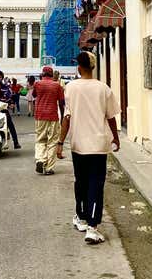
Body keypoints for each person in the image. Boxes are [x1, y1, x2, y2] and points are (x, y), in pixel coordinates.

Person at [56, 51, 120, 245]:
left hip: (78, 145)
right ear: (93, 67)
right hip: (98, 145)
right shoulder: (104, 89)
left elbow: (66, 118)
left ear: (78, 67)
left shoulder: (70, 88)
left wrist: (60, 143)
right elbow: (111, 117)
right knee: (95, 185)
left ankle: (81, 217)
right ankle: (92, 227)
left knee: (81, 182)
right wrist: (116, 138)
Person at [33, 67, 64, 175]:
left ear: (42, 74)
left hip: (40, 115)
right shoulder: (57, 85)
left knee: (41, 139)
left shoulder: (37, 84)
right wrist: (63, 116)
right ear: (52, 75)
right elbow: (61, 102)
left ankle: (40, 159)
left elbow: (34, 95)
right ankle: (49, 168)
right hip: (53, 116)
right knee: (52, 141)